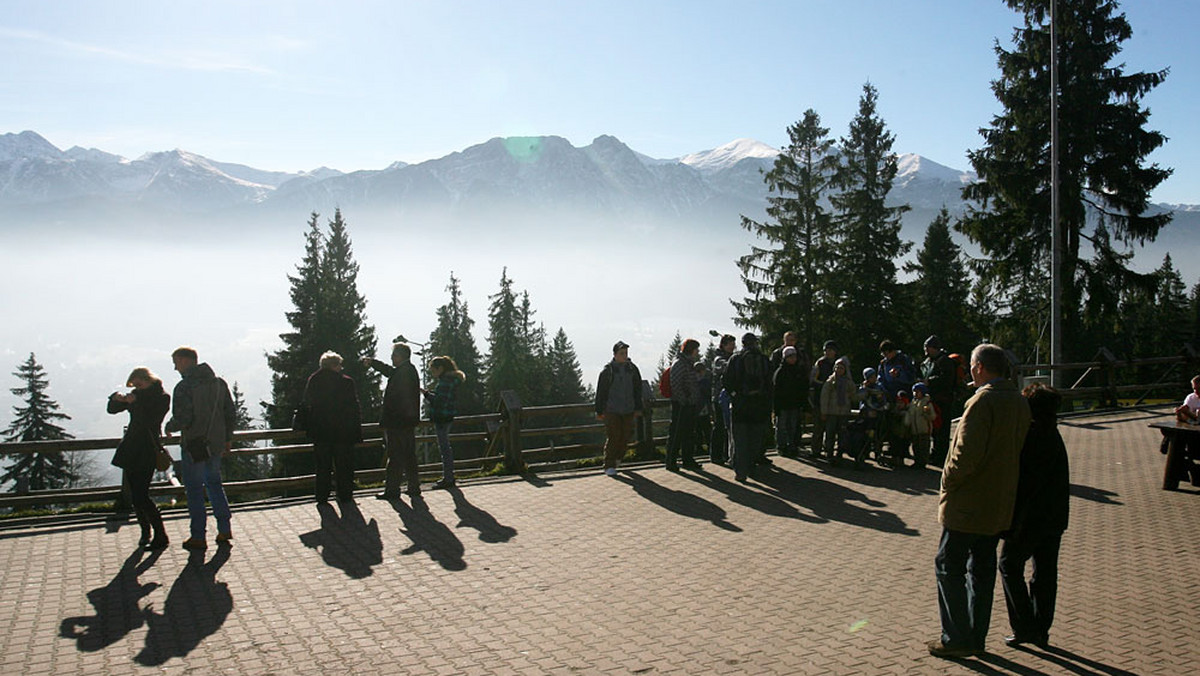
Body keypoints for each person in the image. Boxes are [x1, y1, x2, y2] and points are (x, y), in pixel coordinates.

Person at [929, 343, 1031, 659]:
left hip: (969, 503)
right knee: (982, 570)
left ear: (979, 367)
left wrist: (947, 480)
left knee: (949, 566)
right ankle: (976, 636)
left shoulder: (982, 402)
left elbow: (964, 455)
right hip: (998, 502)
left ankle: (956, 636)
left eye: (972, 366)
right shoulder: (1018, 401)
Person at [1000, 383, 1070, 649]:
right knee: (1045, 572)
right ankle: (1041, 628)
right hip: (1054, 516)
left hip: (1031, 518)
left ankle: (1024, 625)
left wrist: (1011, 522)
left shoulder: (1032, 435)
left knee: (1009, 564)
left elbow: (1026, 483)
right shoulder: (1052, 432)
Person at [164, 347, 235, 552]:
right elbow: (230, 413)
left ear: (186, 361)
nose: (175, 367)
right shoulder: (219, 384)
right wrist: (227, 439)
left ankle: (198, 535)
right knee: (214, 483)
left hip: (194, 444)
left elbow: (184, 418)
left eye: (176, 362)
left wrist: (170, 427)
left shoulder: (184, 387)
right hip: (216, 443)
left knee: (194, 489)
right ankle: (224, 528)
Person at [107, 367, 171, 550]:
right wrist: (116, 398)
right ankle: (146, 532)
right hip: (132, 448)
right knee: (135, 496)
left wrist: (134, 403)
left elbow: (150, 420)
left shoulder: (162, 397)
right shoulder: (137, 395)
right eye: (135, 385)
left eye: (139, 384)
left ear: (148, 379)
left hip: (147, 449)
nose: (137, 388)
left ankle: (160, 534)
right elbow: (112, 410)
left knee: (141, 495)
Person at [364, 342, 422, 499]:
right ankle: (414, 486)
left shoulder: (404, 372)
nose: (391, 358)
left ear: (400, 356)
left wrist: (388, 418)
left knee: (395, 455)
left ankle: (392, 489)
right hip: (407, 421)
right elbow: (390, 372)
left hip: (397, 422)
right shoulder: (407, 370)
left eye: (393, 355)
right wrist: (374, 363)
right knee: (409, 455)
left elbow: (396, 398)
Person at [302, 351, 362, 503]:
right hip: (342, 432)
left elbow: (307, 403)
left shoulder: (314, 380)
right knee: (344, 466)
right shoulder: (346, 382)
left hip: (320, 432)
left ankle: (322, 496)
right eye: (339, 365)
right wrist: (356, 431)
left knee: (323, 467)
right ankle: (345, 495)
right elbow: (354, 408)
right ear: (334, 365)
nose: (341, 368)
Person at [724, 332, 773, 482]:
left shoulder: (736, 359)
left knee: (740, 440)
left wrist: (734, 395)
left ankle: (740, 471)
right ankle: (752, 467)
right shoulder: (764, 359)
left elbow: (726, 380)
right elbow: (770, 382)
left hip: (741, 405)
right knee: (755, 439)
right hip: (759, 405)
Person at [595, 341, 644, 477]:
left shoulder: (633, 370)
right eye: (622, 353)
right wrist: (599, 410)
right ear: (615, 354)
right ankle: (609, 464)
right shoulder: (607, 371)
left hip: (628, 409)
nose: (624, 356)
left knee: (626, 436)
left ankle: (618, 458)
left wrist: (638, 407)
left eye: (626, 353)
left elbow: (637, 390)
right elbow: (601, 392)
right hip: (612, 409)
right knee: (613, 436)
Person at [423, 356, 466, 489]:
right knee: (446, 447)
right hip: (448, 417)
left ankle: (448, 478)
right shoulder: (451, 380)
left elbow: (439, 401)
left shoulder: (445, 382)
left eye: (433, 370)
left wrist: (426, 394)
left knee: (444, 448)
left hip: (441, 417)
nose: (433, 374)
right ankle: (449, 476)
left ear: (440, 368)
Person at [921, 335, 959, 466]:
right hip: (935, 399)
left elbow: (946, 380)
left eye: (927, 347)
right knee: (935, 429)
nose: (925, 350)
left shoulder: (944, 361)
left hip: (943, 400)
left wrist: (929, 382)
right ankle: (936, 453)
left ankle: (941, 455)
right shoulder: (933, 361)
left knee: (941, 429)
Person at [667, 338, 703, 471]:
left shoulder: (687, 363)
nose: (697, 352)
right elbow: (675, 384)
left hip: (689, 403)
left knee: (688, 433)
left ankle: (687, 459)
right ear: (691, 350)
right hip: (681, 404)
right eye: (696, 349)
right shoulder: (680, 363)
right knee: (676, 433)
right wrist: (684, 400)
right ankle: (671, 461)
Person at [819, 357, 855, 465]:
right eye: (837, 368)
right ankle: (829, 453)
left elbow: (854, 395)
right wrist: (824, 411)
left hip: (843, 412)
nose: (839, 370)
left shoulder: (849, 382)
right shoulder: (830, 381)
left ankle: (840, 453)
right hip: (831, 412)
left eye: (841, 368)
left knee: (842, 434)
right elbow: (824, 398)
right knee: (830, 434)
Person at [773, 347, 807, 459]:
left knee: (792, 426)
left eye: (794, 356)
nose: (793, 358)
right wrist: (776, 407)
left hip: (795, 404)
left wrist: (802, 402)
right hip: (783, 404)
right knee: (781, 426)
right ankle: (781, 446)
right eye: (790, 356)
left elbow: (803, 388)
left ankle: (792, 445)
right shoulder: (780, 372)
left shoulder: (799, 371)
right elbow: (776, 390)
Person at [709, 334, 736, 466]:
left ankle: (726, 454)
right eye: (730, 345)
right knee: (720, 426)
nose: (732, 347)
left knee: (729, 428)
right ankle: (715, 455)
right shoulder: (719, 359)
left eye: (733, 345)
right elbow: (726, 368)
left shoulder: (731, 357)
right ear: (723, 345)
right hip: (719, 398)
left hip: (730, 397)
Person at [810, 341, 840, 457]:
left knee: (831, 428)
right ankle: (815, 450)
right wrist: (824, 385)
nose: (828, 352)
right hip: (820, 398)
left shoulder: (839, 363)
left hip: (834, 400)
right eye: (826, 350)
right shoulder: (820, 363)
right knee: (818, 427)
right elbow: (813, 379)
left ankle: (829, 450)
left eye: (830, 350)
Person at [905, 383, 936, 469]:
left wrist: (927, 413)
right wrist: (907, 423)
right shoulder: (913, 403)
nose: (915, 394)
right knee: (915, 446)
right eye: (914, 392)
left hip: (924, 429)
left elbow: (932, 417)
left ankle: (922, 462)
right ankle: (917, 461)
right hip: (914, 429)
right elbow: (910, 414)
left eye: (917, 392)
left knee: (924, 447)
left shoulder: (927, 403)